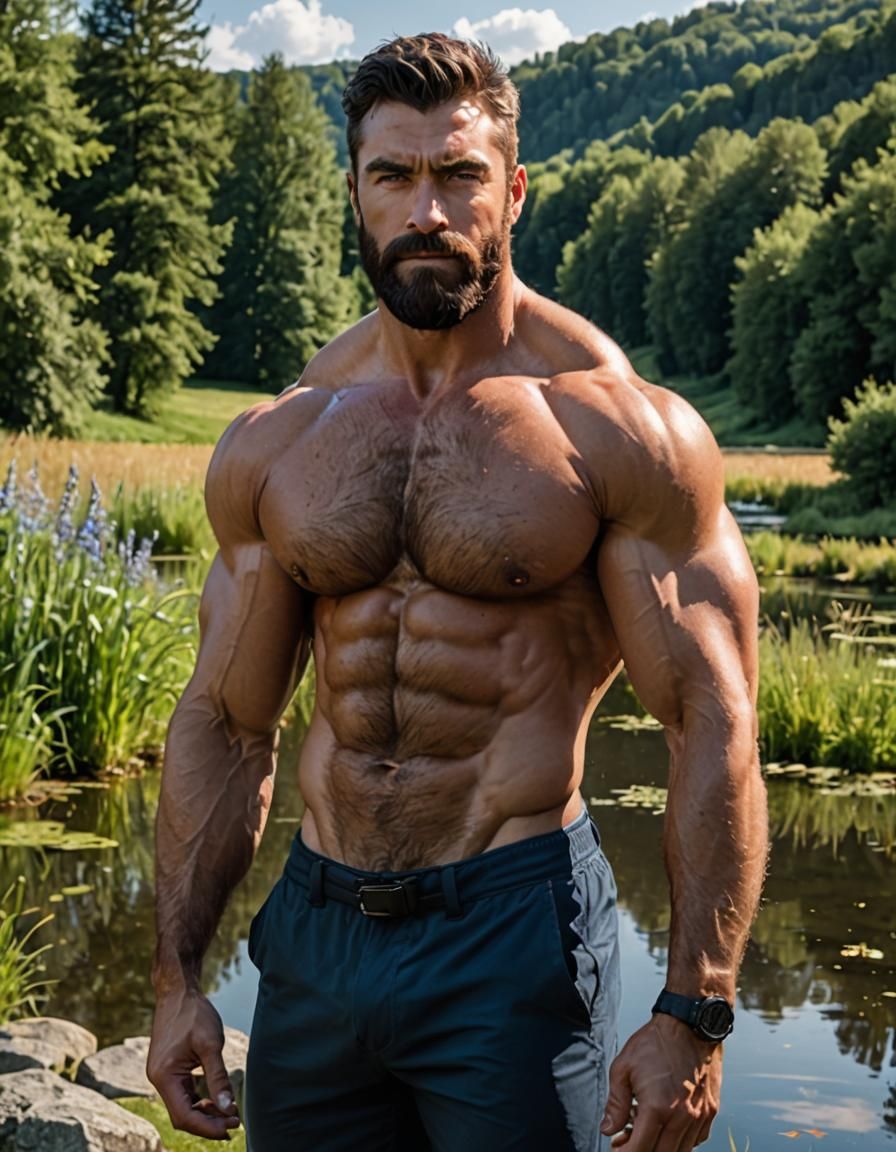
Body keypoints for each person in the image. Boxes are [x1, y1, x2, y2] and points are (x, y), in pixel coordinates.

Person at [147, 32, 768, 1152]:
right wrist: (174, 979)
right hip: (316, 933)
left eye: (456, 174)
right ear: (355, 193)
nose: (424, 210)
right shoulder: (283, 438)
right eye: (392, 176)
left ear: (512, 190)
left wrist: (695, 1009)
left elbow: (710, 723)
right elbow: (226, 723)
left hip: (510, 928)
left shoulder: (614, 426)